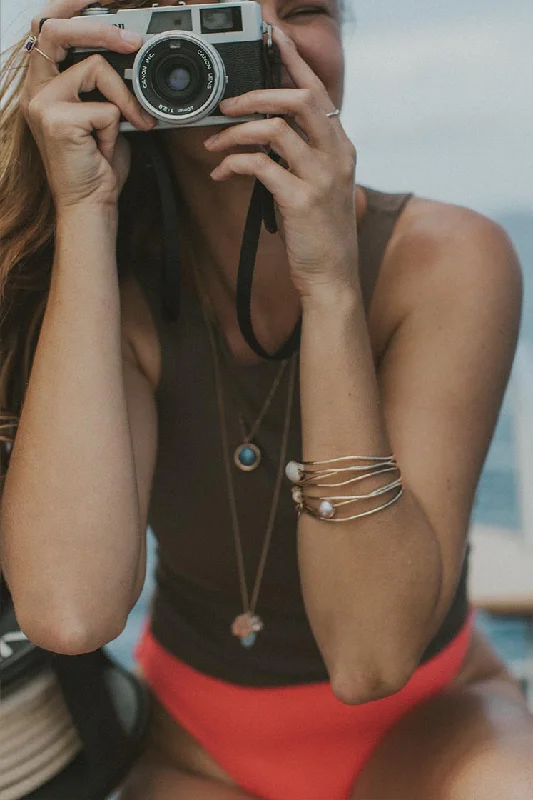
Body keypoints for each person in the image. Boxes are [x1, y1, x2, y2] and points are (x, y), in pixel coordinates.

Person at [1, 0, 532, 798]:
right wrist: (82, 212)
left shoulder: (448, 260)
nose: (267, 40)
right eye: (218, 13)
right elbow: (70, 612)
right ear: (123, 56)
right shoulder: (113, 296)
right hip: (193, 744)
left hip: (428, 723)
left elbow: (369, 660)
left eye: (305, 9)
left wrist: (330, 288)